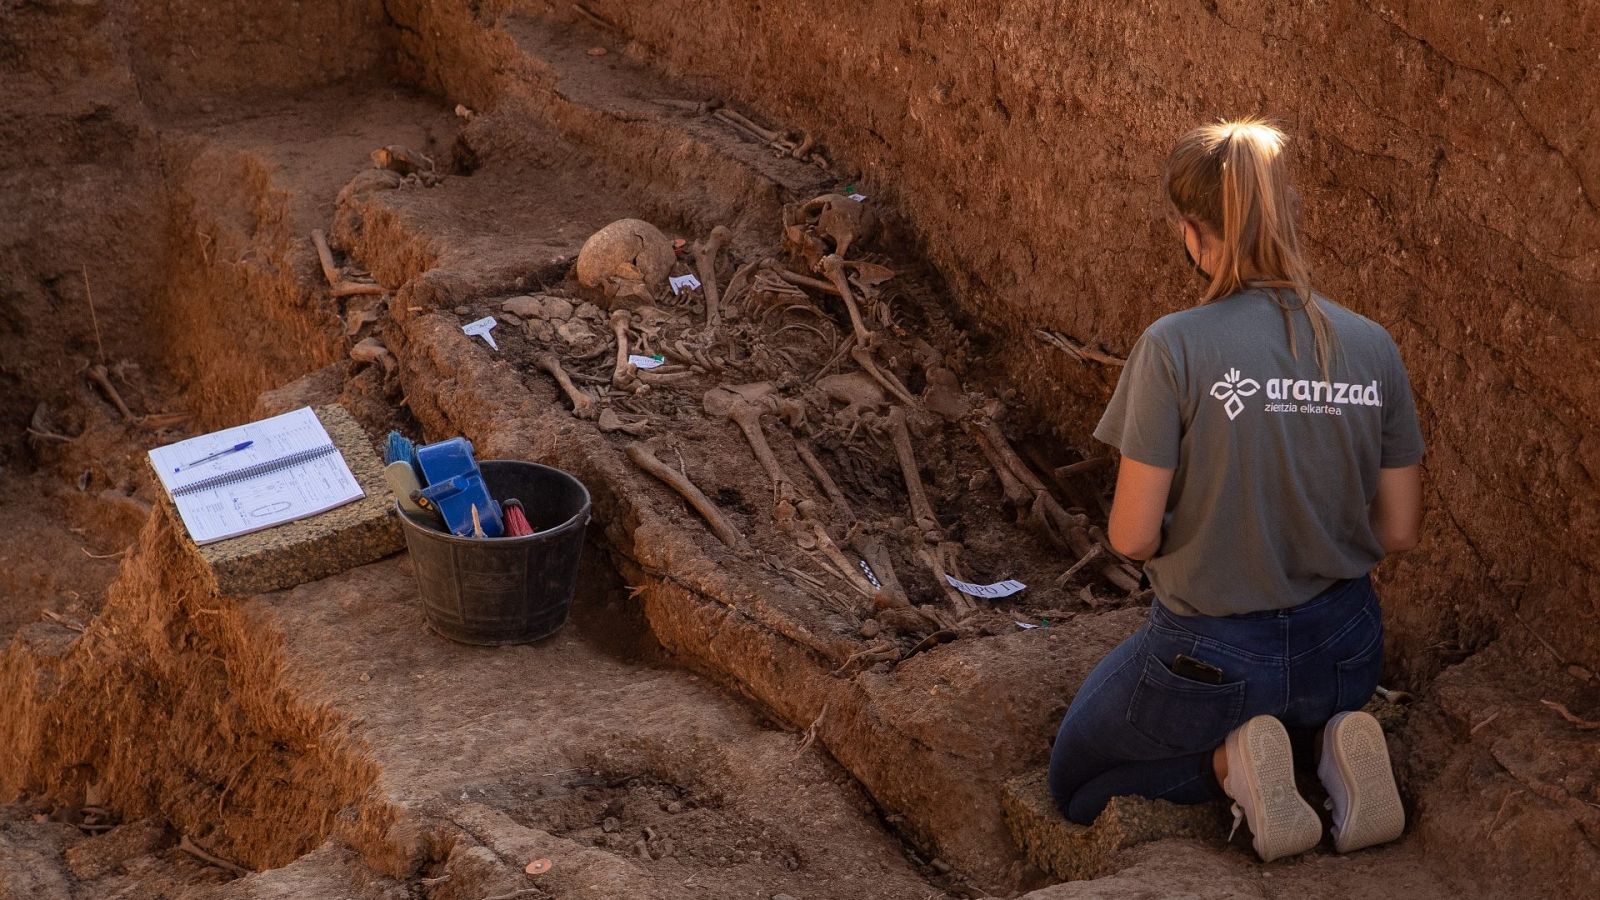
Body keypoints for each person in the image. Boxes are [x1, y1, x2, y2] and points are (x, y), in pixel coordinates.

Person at [1046, 117, 1424, 863]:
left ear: (1191, 231)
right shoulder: (1372, 345)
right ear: (1291, 214)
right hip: (1346, 650)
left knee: (1077, 778)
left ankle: (1231, 764)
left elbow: (1131, 536)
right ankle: (1328, 749)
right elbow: (1402, 529)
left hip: (1213, 657)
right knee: (1301, 695)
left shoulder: (1174, 346)